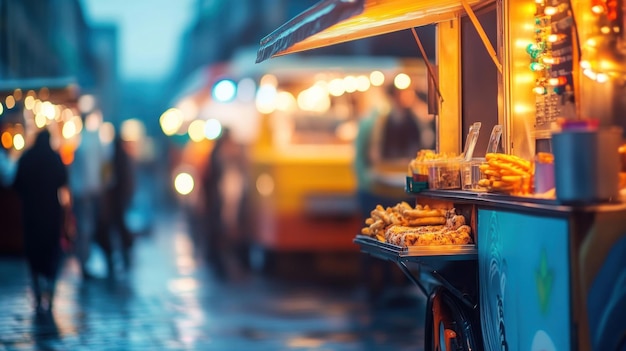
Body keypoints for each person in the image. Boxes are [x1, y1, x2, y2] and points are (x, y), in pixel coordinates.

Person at [354, 85, 428, 302]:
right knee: (374, 240)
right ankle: (374, 288)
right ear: (393, 95)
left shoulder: (416, 119)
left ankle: (398, 287)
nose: (407, 97)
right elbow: (360, 157)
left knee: (400, 240)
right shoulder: (373, 122)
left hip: (401, 191)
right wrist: (367, 181)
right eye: (403, 93)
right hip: (375, 191)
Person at [13, 129, 68, 315]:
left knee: (34, 250)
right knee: (51, 248)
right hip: (51, 212)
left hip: (31, 213)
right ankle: (50, 284)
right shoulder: (54, 157)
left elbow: (17, 183)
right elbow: (63, 179)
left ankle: (37, 287)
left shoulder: (27, 157)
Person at [201, 127, 250, 279]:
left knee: (234, 235)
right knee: (223, 234)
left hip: (233, 202)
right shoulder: (217, 157)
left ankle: (235, 267)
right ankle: (223, 267)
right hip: (221, 203)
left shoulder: (235, 159)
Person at [68, 112, 106, 280]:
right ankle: (84, 264)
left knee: (83, 229)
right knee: (85, 229)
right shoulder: (90, 141)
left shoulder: (81, 142)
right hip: (87, 192)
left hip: (82, 192)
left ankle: (84, 263)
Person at [96, 133, 135, 278]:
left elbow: (106, 180)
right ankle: (122, 257)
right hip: (118, 201)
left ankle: (113, 259)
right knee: (119, 228)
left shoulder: (112, 159)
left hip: (113, 202)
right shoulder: (123, 159)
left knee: (111, 229)